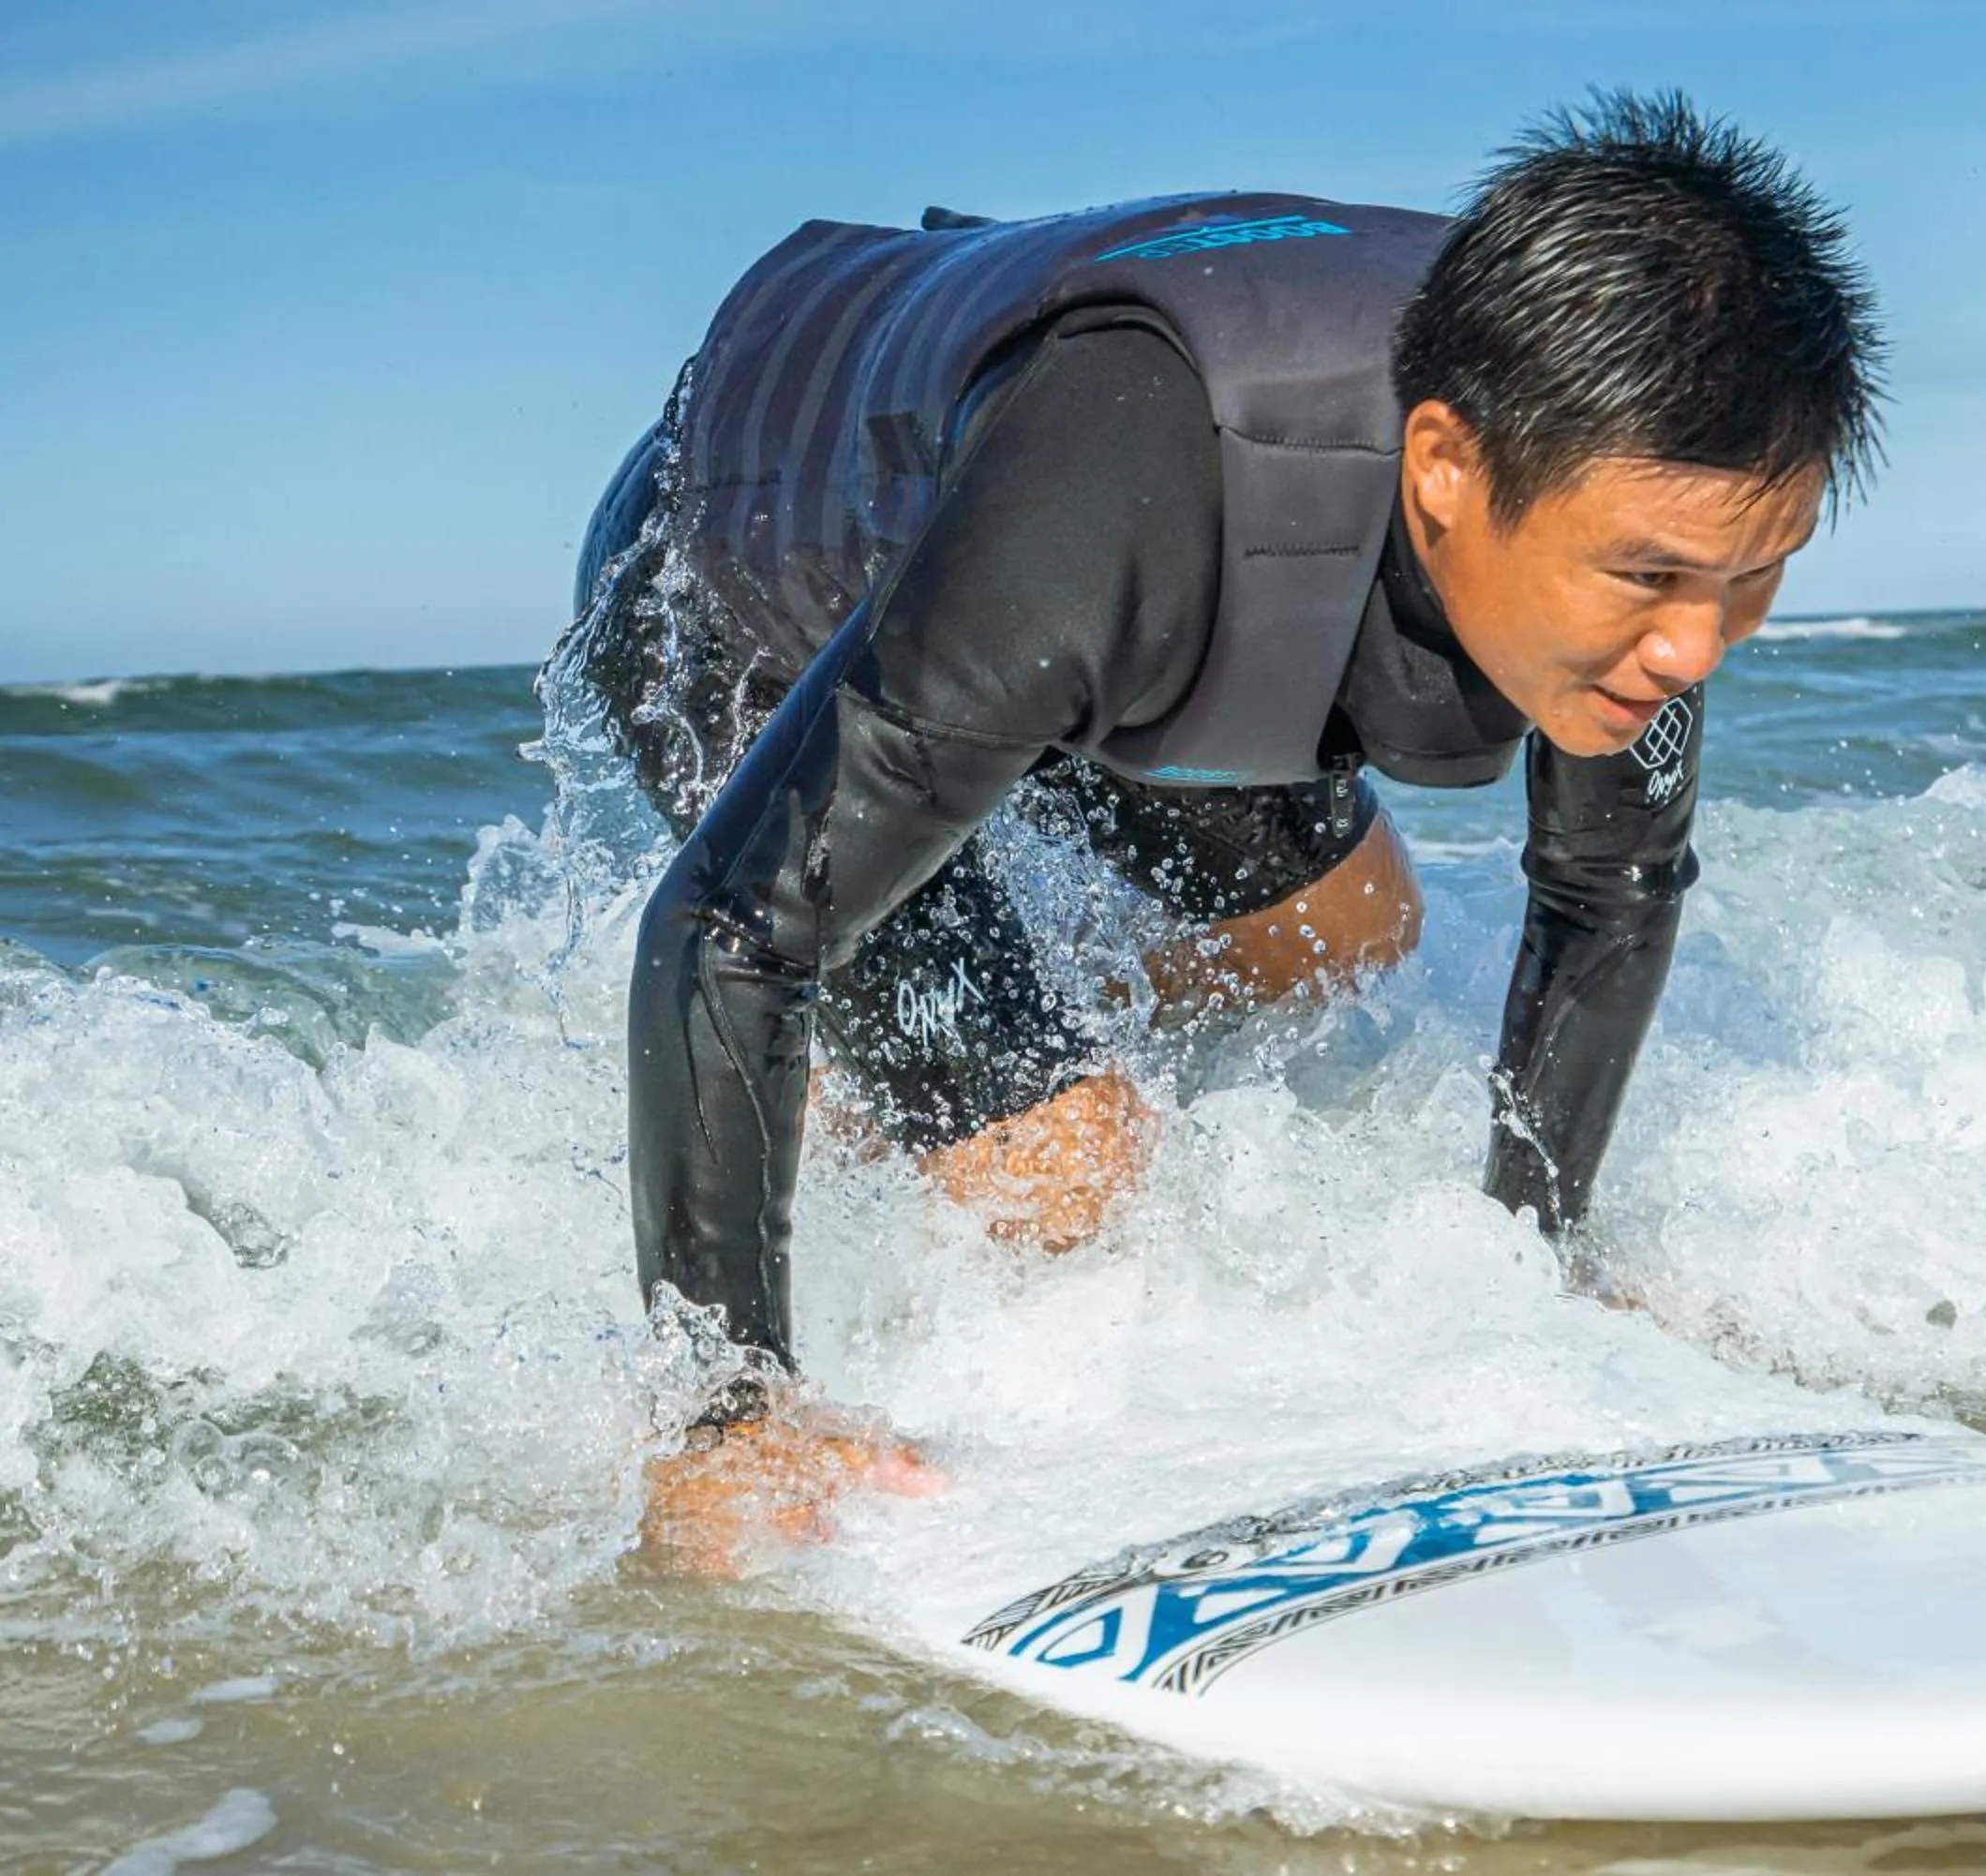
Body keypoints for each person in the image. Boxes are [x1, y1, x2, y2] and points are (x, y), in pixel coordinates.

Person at [553, 89, 1884, 1576]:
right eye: (1651, 579)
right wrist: (729, 1412)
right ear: (1446, 470)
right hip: (738, 582)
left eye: (1759, 576)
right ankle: (871, 1095)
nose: (1698, 648)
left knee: (1356, 935)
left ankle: (930, 1056)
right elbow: (729, 921)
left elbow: (1610, 886)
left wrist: (1534, 1275)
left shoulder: (1628, 475)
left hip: (1067, 596)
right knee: (1072, 1174)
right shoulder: (1120, 496)